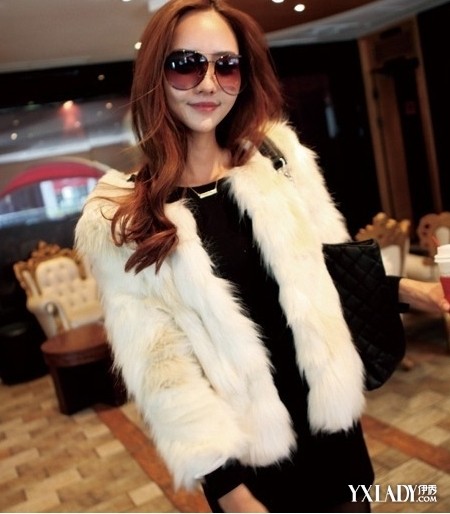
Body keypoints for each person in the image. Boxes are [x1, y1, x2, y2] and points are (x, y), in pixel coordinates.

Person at [75, 0, 450, 511]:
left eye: (226, 65)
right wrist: (229, 491)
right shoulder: (123, 218)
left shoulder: (278, 160)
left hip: (334, 431)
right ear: (155, 74)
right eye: (186, 64)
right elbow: (164, 371)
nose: (209, 83)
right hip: (250, 464)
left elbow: (331, 273)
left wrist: (414, 291)